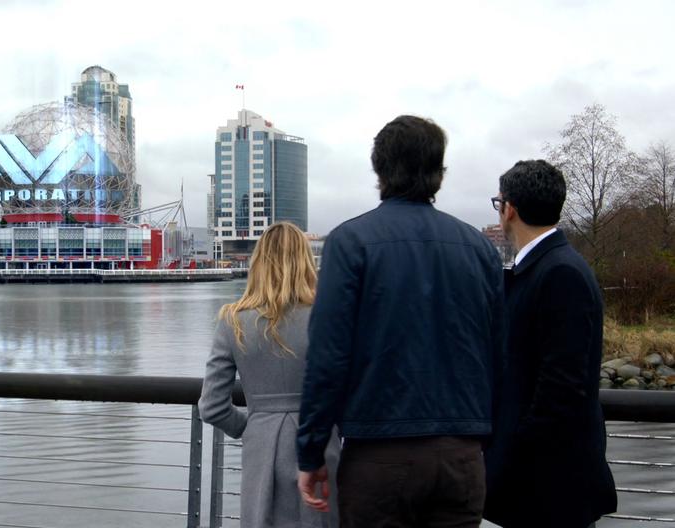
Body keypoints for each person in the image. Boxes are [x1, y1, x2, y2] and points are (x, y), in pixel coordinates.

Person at [297, 115, 504, 528]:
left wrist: (311, 450)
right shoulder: (480, 248)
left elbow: (328, 358)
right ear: (439, 173)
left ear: (379, 169)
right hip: (462, 457)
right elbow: (497, 353)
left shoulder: (351, 242)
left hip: (379, 457)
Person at [483, 160, 617, 528]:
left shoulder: (558, 273)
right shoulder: (557, 266)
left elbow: (560, 389)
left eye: (498, 204)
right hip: (546, 484)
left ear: (509, 209)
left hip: (546, 488)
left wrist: (508, 460)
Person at [199, 221, 340, 528]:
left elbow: (211, 406)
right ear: (305, 261)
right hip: (318, 442)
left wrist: (253, 425)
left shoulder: (233, 320)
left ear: (258, 263)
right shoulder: (327, 316)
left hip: (261, 444)